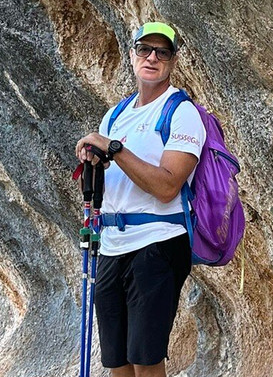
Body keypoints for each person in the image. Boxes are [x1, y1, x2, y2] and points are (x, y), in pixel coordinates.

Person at [74, 21, 206, 377]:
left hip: (158, 244)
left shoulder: (182, 113)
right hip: (113, 245)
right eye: (144, 49)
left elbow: (167, 186)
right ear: (131, 55)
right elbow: (116, 166)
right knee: (116, 360)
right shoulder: (116, 114)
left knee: (145, 359)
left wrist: (114, 149)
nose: (152, 57)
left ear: (173, 60)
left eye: (162, 52)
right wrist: (97, 157)